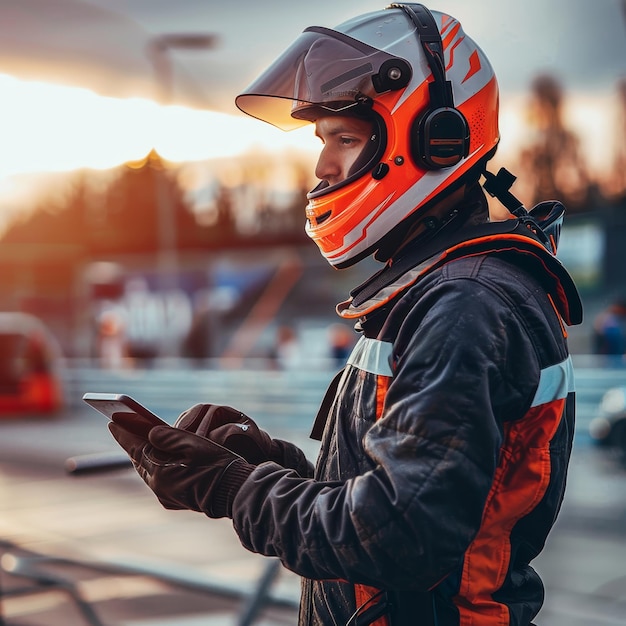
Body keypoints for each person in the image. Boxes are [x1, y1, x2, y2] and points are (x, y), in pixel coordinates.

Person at [109, 4, 583, 625]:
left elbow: (398, 539)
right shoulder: (435, 290)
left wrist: (230, 488)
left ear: (434, 137)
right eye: (322, 140)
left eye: (347, 138)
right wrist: (266, 465)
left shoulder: (466, 303)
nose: (323, 167)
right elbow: (392, 497)